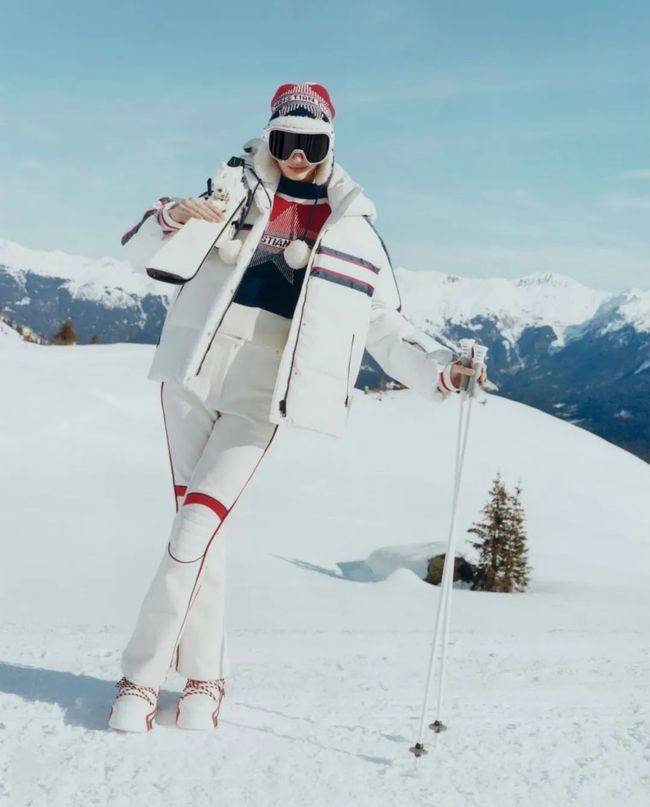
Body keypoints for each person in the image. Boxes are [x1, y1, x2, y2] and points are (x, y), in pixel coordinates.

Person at [109, 82, 487, 733]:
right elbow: (143, 249)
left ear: (330, 145)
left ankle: (141, 675)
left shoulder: (353, 231)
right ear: (270, 137)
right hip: (194, 375)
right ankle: (205, 676)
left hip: (263, 391)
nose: (296, 158)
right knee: (199, 535)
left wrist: (440, 374)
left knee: (194, 529)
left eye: (310, 145)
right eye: (284, 141)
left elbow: (386, 328)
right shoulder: (229, 190)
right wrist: (174, 216)